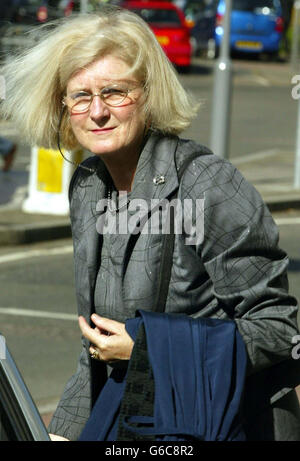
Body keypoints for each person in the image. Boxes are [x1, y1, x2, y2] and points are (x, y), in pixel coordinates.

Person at [1, 6, 299, 441]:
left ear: (149, 93)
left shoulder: (206, 183)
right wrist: (62, 432)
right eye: (80, 96)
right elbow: (95, 348)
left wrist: (150, 349)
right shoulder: (88, 186)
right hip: (137, 422)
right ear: (63, 107)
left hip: (223, 427)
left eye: (115, 92)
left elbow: (278, 329)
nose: (98, 111)